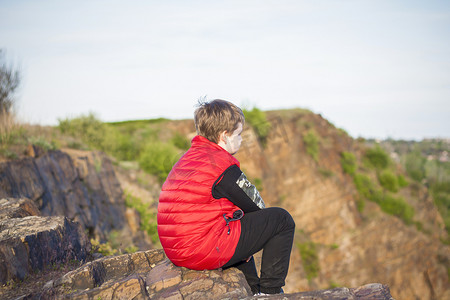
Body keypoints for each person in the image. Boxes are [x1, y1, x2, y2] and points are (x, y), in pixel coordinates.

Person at [157, 99, 295, 295]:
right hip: (199, 248)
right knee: (281, 220)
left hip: (177, 249)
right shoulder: (221, 165)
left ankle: (252, 290)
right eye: (238, 134)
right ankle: (270, 293)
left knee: (239, 228)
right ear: (225, 136)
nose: (241, 139)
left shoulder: (188, 158)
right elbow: (257, 205)